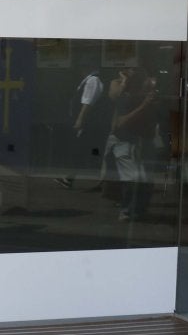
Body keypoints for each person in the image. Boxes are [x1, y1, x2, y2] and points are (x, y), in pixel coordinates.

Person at [106, 67, 159, 221]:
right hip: (127, 142)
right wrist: (143, 106)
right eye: (146, 80)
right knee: (132, 179)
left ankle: (139, 209)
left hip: (144, 141)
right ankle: (126, 210)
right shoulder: (127, 98)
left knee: (146, 179)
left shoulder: (149, 99)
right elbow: (121, 122)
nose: (149, 82)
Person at [55, 70, 105, 189]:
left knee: (81, 150)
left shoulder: (93, 80)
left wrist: (80, 120)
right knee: (81, 150)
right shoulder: (88, 80)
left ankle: (71, 178)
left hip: (88, 123)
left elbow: (87, 102)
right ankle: (70, 178)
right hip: (86, 123)